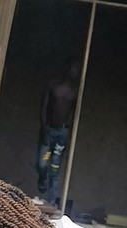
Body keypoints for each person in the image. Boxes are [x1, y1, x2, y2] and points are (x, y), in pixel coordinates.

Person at [36, 59, 81, 205]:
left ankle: (51, 202)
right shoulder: (53, 85)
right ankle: (42, 178)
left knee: (55, 169)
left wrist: (70, 138)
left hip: (62, 134)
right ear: (66, 69)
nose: (74, 72)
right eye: (72, 69)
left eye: (77, 70)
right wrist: (43, 128)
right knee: (42, 164)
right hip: (49, 131)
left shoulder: (76, 92)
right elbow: (43, 107)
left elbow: (74, 115)